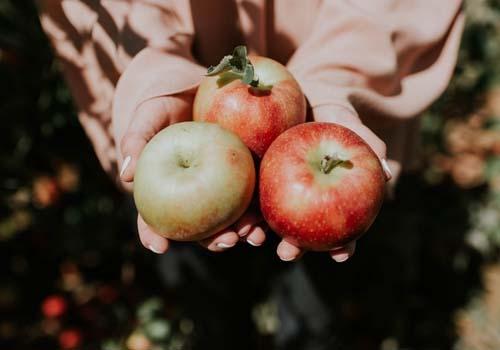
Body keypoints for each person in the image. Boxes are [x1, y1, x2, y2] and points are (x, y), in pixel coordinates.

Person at [38, 1, 464, 348]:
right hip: (183, 131)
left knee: (315, 305)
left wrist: (336, 83)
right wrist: (157, 70)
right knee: (207, 296)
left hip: (331, 122)